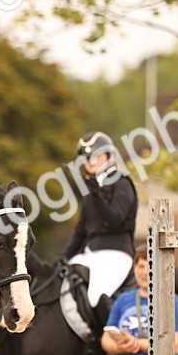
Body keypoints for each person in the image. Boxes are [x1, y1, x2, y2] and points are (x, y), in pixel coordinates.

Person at [61, 131, 139, 306]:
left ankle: (103, 333)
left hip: (116, 253)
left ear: (109, 155)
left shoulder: (122, 183)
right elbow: (80, 231)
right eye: (87, 158)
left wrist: (96, 194)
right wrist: (63, 258)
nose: (91, 161)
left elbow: (115, 219)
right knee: (59, 287)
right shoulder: (91, 189)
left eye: (96, 156)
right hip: (89, 253)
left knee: (95, 297)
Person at [101, 243, 178, 355]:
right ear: (134, 268)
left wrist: (136, 343)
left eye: (150, 266)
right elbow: (105, 340)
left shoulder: (173, 301)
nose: (145, 272)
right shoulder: (122, 300)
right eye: (141, 266)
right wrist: (125, 346)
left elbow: (176, 345)